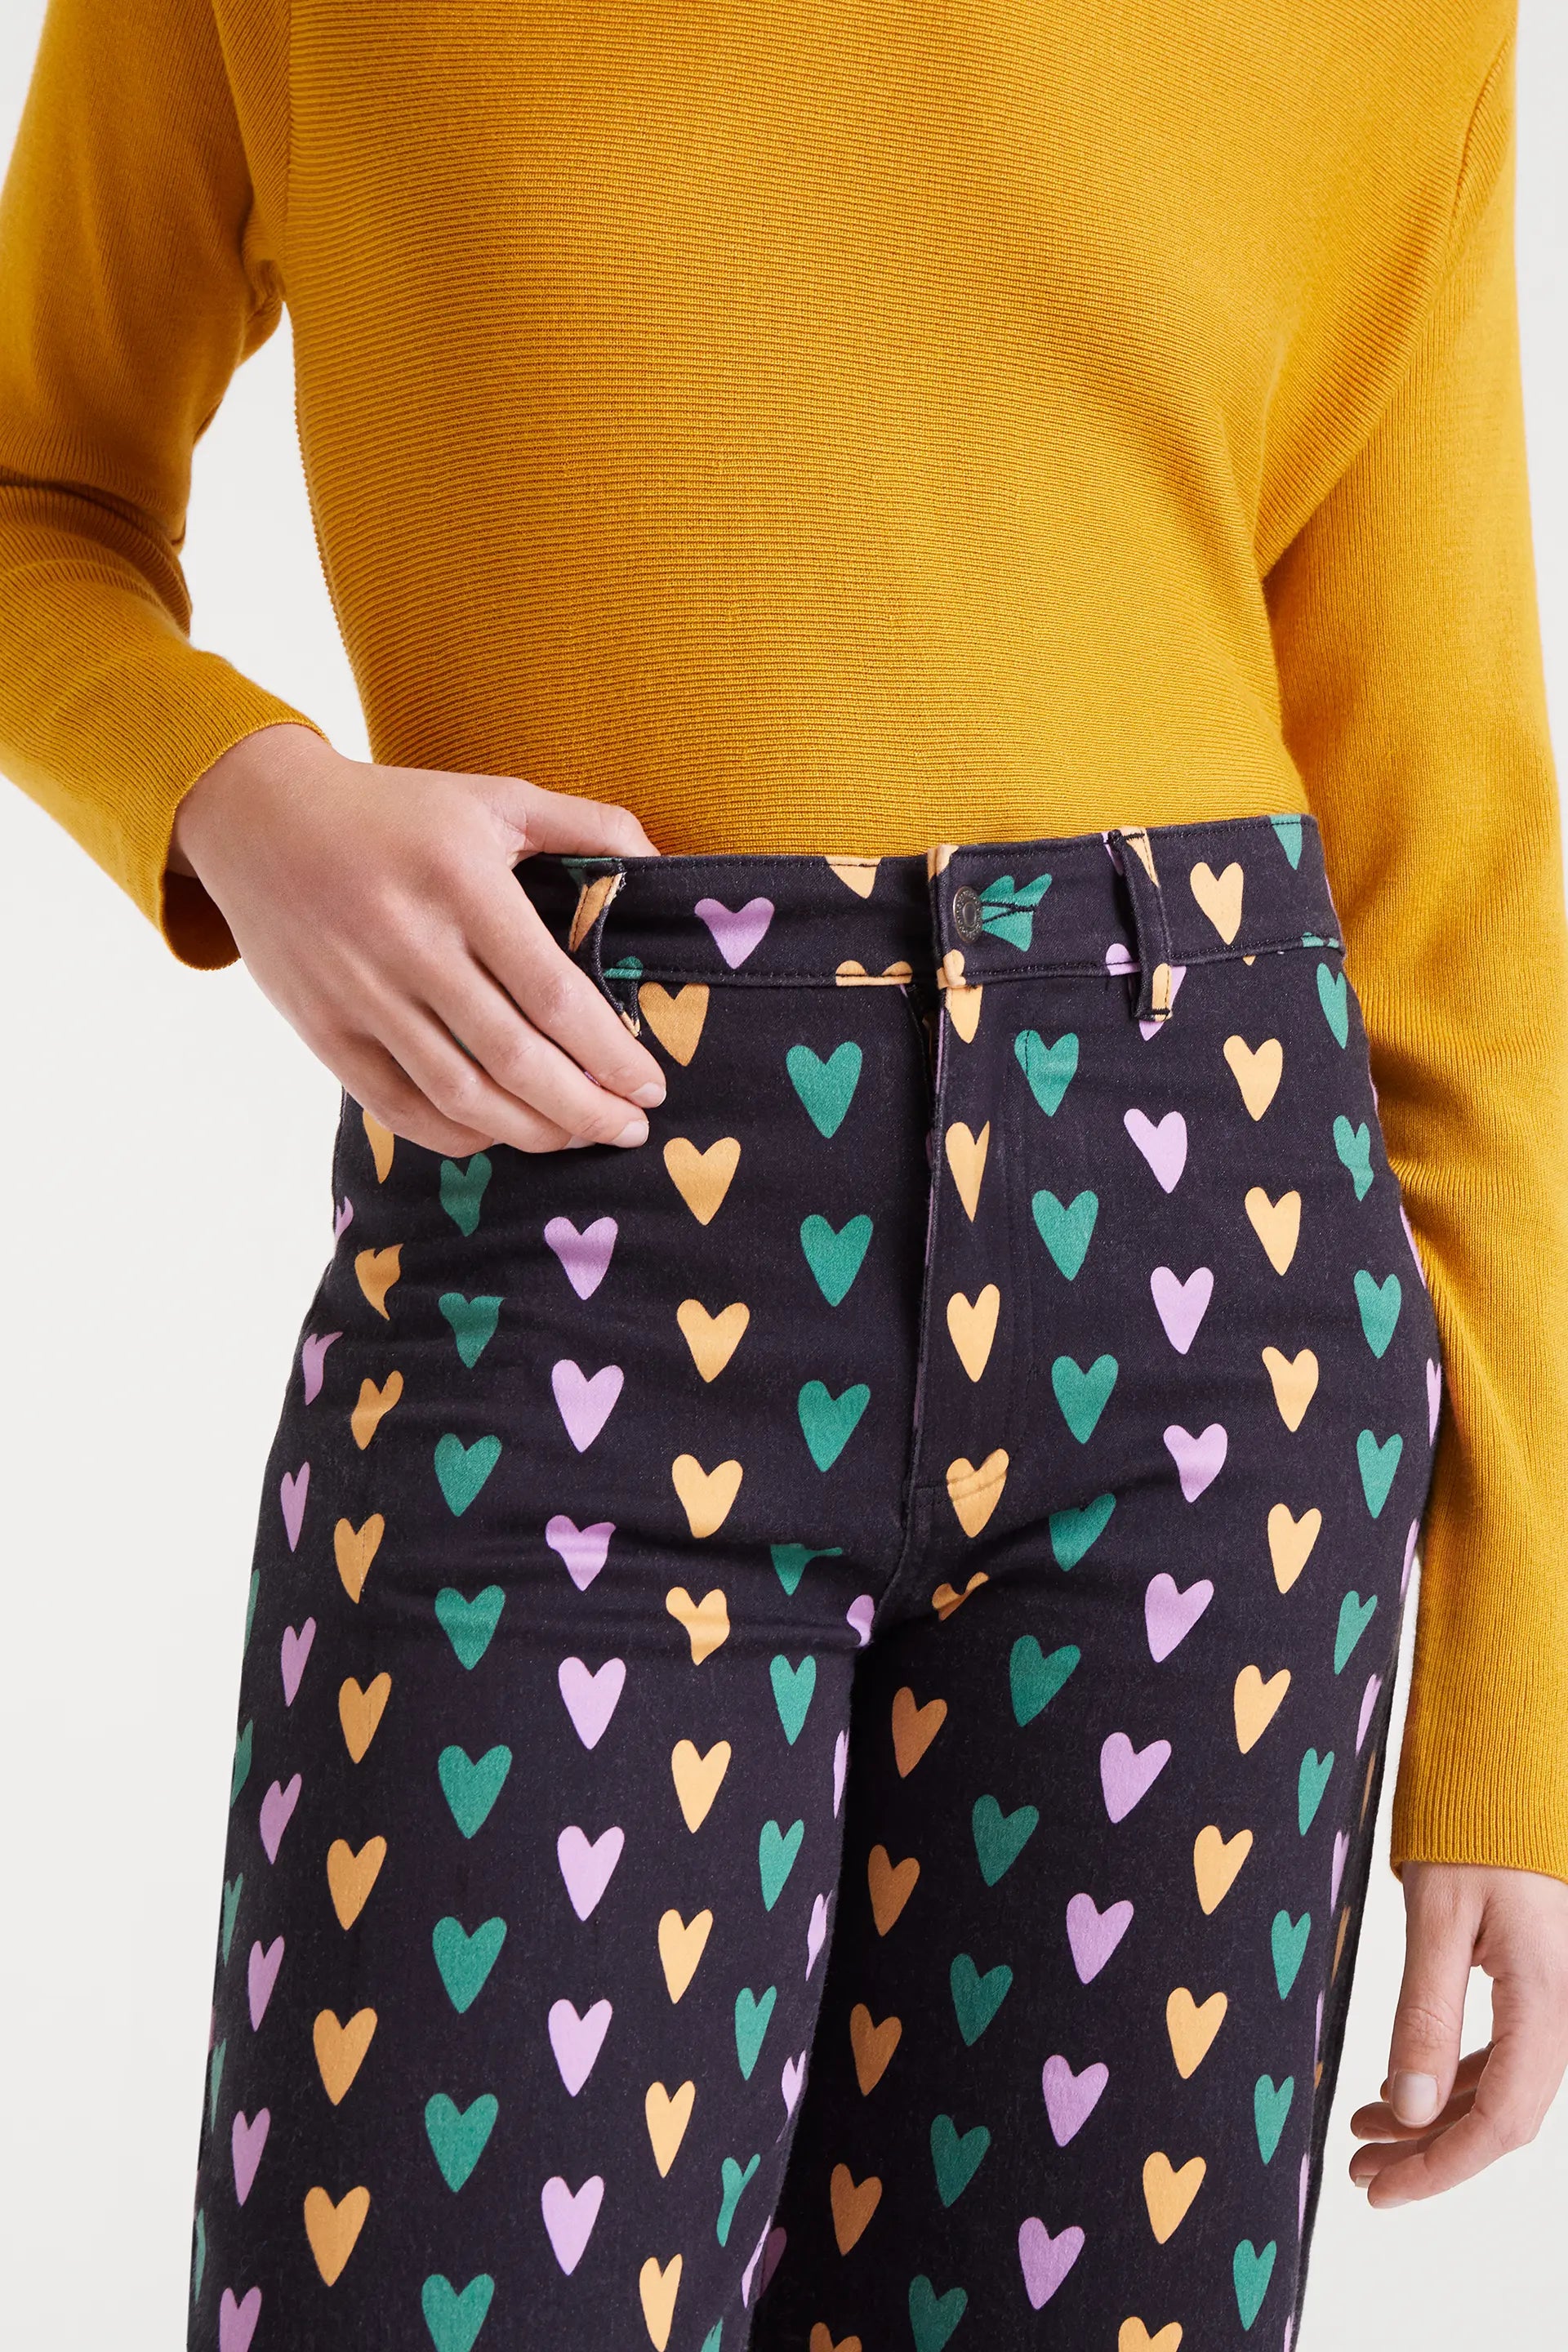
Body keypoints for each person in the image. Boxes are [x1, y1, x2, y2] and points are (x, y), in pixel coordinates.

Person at [2, 1, 1566, 2346]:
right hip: (563, 1237)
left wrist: (1519, 1713)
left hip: (1211, 1293)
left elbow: (1448, 843)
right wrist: (236, 800)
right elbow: (31, 488)